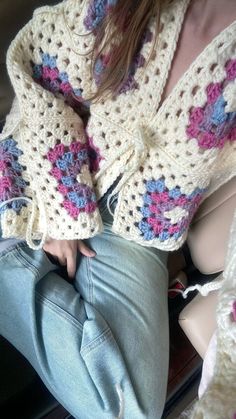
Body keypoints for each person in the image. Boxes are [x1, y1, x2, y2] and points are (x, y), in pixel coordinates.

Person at [0, 0, 235, 417]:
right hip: (47, 167)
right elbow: (37, 66)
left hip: (138, 231)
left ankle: (10, 266)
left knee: (129, 412)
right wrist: (62, 212)